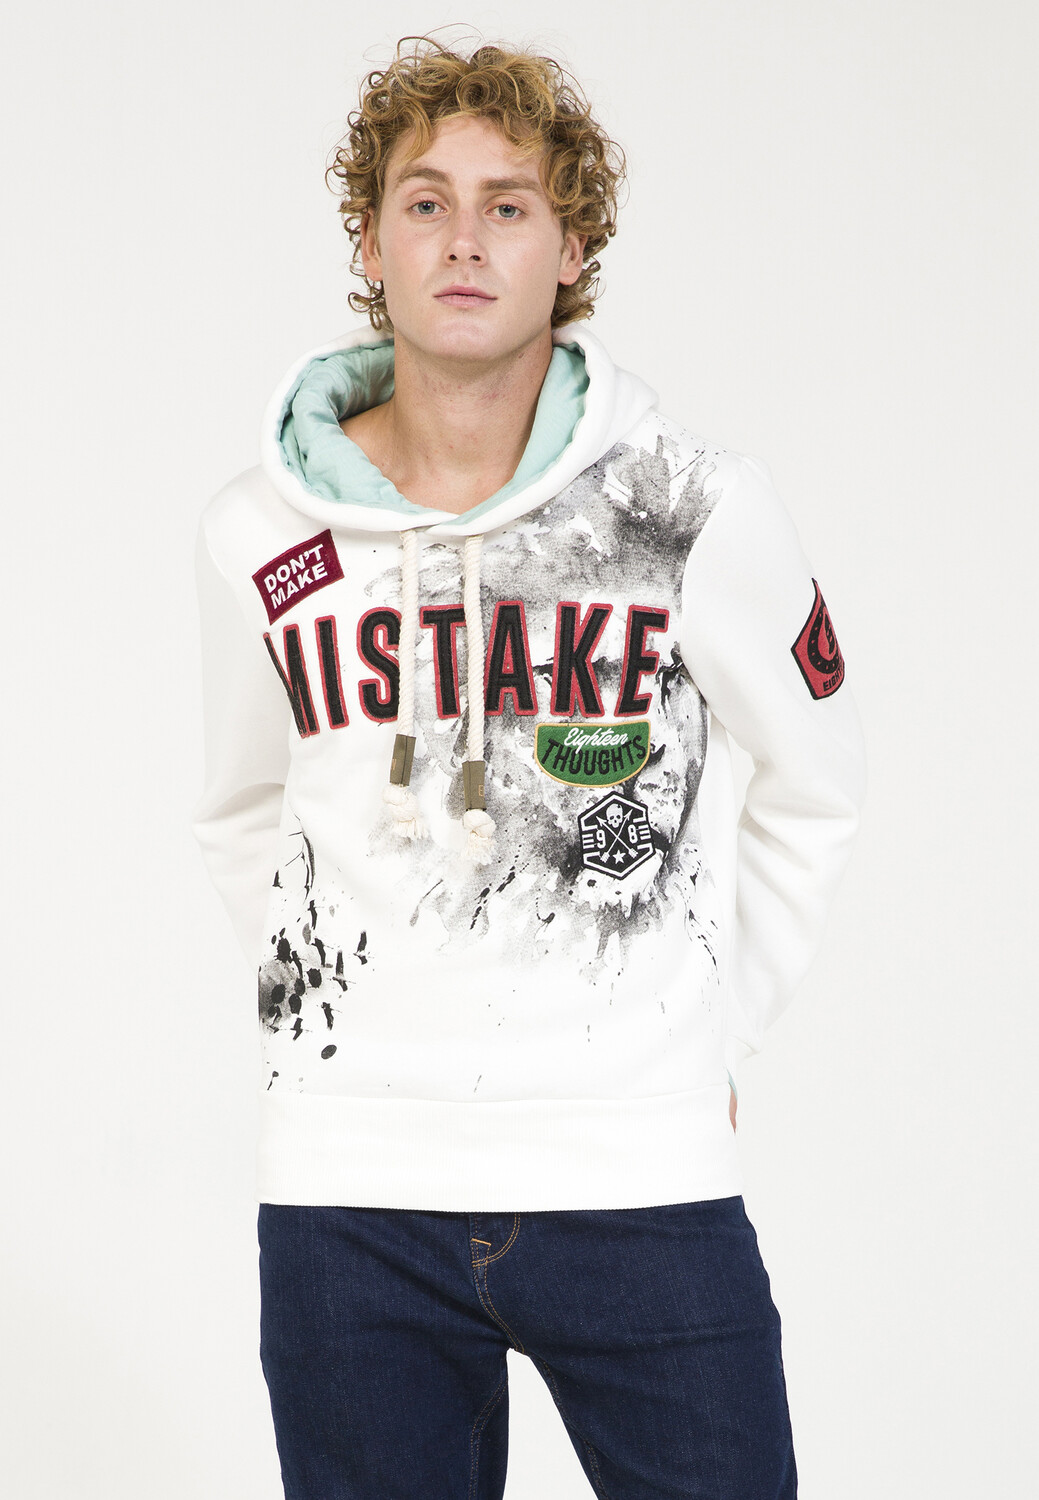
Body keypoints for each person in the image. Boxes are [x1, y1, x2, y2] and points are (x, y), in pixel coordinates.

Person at [191, 32, 866, 1500]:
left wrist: (713, 1034)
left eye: (509, 205)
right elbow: (241, 808)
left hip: (636, 1175)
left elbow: (816, 780)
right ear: (371, 243)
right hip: (350, 1200)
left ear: (570, 249)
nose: (465, 239)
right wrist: (344, 1028)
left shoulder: (692, 507)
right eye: (425, 202)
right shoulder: (260, 533)